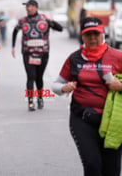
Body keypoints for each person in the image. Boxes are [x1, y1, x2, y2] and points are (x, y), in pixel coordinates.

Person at [52, 17, 122, 176]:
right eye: (88, 34)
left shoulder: (118, 57)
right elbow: (56, 85)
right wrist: (64, 87)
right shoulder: (74, 58)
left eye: (96, 34)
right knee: (92, 164)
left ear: (103, 34)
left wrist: (120, 86)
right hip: (82, 119)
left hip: (114, 121)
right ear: (82, 36)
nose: (92, 38)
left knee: (112, 170)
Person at [11, 0, 63, 111]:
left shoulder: (44, 19)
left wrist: (52, 21)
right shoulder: (23, 21)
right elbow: (15, 31)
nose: (27, 8)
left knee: (39, 77)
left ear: (35, 7)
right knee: (31, 77)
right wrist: (13, 47)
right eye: (26, 6)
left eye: (30, 6)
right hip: (28, 53)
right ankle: (30, 101)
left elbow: (60, 29)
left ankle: (40, 98)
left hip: (42, 53)